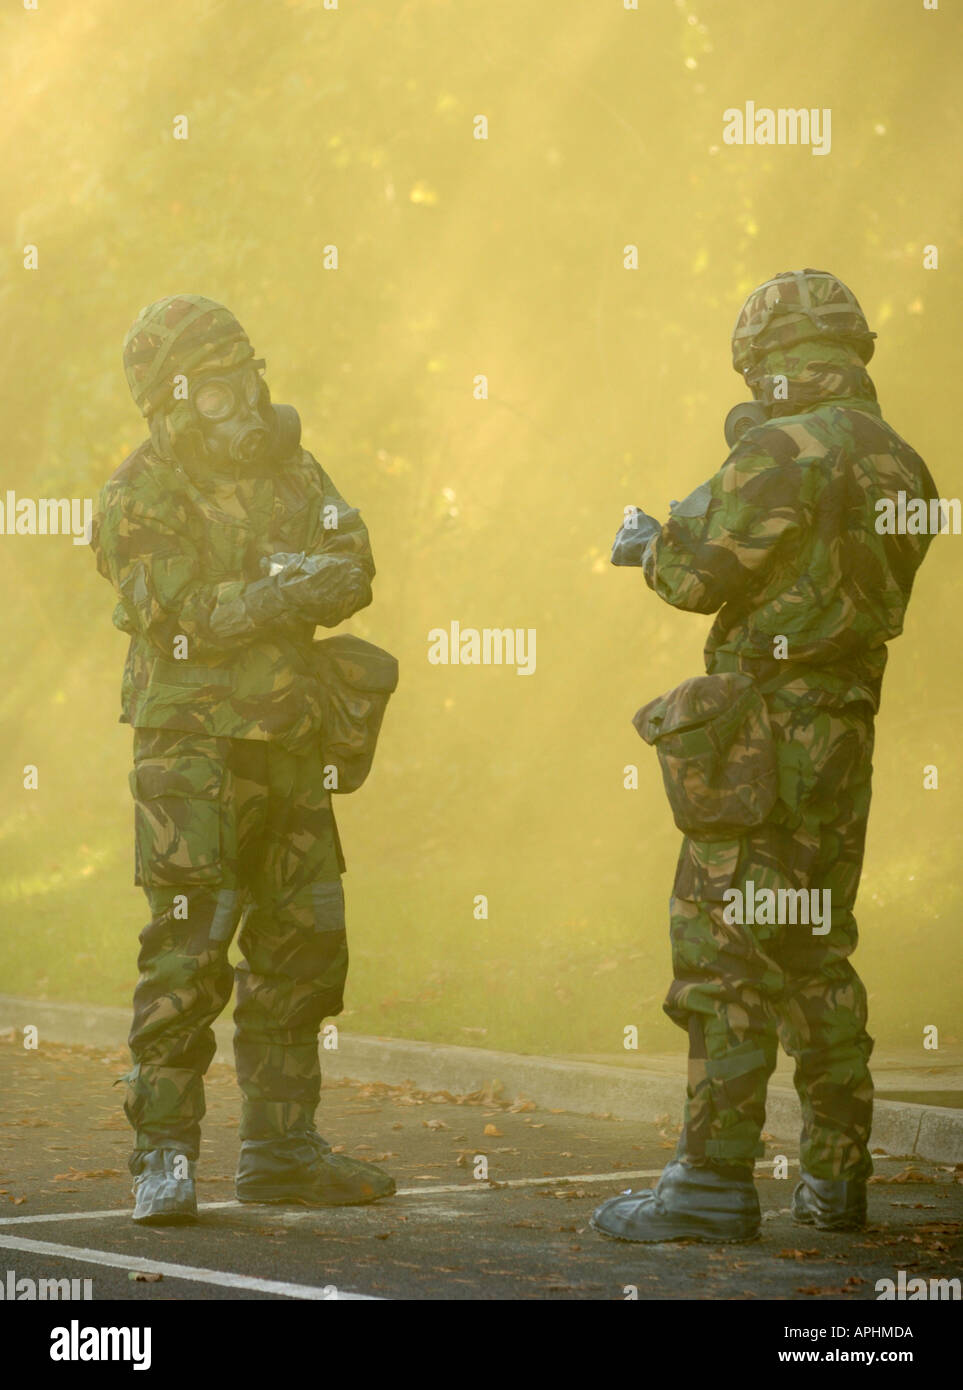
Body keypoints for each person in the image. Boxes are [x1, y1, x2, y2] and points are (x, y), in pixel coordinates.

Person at [597, 269, 938, 1243]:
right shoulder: (907, 467)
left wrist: (647, 544)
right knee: (816, 948)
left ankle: (709, 1184)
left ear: (769, 359)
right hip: (846, 733)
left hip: (758, 741)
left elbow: (698, 575)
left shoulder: (780, 450)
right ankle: (835, 1179)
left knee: (724, 950)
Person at [91, 294, 395, 1223]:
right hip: (192, 755)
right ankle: (164, 1158)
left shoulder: (295, 465)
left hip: (292, 747)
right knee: (186, 956)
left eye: (241, 370)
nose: (236, 395)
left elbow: (354, 558)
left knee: (301, 951)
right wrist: (280, 587)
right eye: (209, 379)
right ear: (171, 394)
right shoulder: (138, 491)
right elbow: (184, 619)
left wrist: (319, 578)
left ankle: (281, 1151)